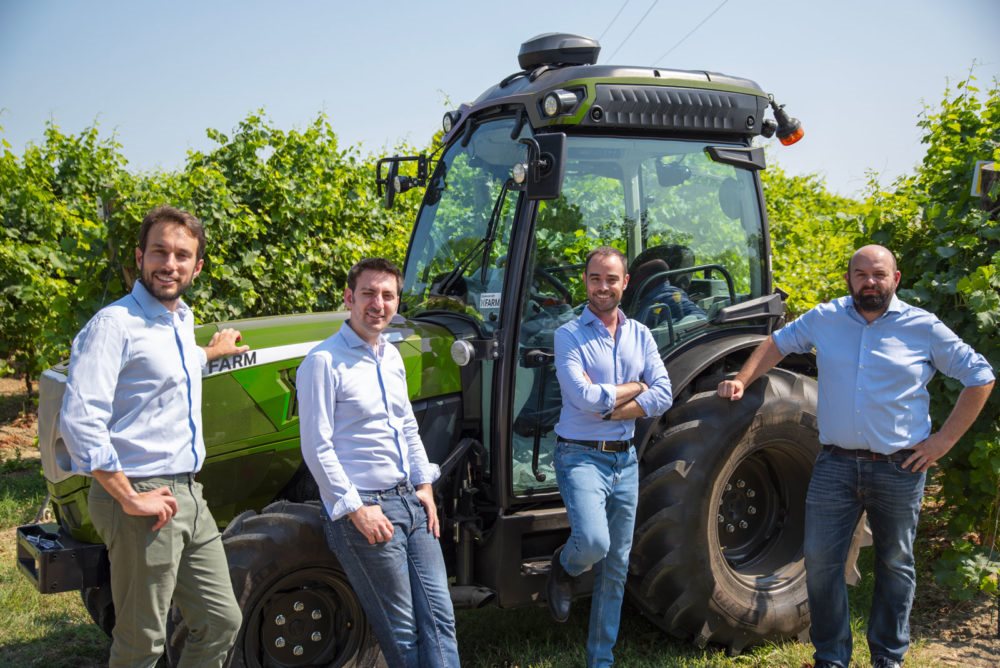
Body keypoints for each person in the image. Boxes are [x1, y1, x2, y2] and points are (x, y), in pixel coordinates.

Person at [717, 244, 994, 668]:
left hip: (901, 468)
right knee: (821, 563)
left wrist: (942, 442)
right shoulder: (826, 318)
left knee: (895, 563)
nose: (870, 281)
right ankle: (831, 656)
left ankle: (888, 656)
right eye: (861, 273)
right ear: (849, 278)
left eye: (879, 274)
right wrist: (741, 379)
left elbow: (979, 375)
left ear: (895, 279)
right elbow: (777, 342)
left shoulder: (923, 327)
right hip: (835, 464)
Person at [60, 205, 248, 668]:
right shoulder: (113, 325)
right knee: (142, 641)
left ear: (197, 265)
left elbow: (166, 369)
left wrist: (211, 352)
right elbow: (81, 421)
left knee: (222, 620)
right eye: (159, 252)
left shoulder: (179, 319)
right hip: (141, 494)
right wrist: (128, 497)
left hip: (188, 492)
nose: (170, 264)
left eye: (182, 255)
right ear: (141, 257)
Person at [297, 257, 460, 668]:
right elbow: (317, 447)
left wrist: (425, 485)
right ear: (349, 298)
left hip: (410, 501)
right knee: (401, 631)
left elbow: (406, 425)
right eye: (368, 293)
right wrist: (356, 510)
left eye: (388, 295)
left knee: (440, 618)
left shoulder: (391, 357)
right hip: (368, 509)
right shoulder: (323, 362)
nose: (378, 303)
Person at [548, 246, 673, 668]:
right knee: (594, 544)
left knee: (616, 564)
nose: (603, 287)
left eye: (611, 279)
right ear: (585, 282)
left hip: (625, 460)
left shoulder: (642, 334)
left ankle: (601, 659)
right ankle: (565, 567)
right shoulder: (568, 334)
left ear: (625, 283)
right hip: (580, 456)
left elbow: (665, 393)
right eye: (595, 279)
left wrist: (615, 404)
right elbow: (581, 397)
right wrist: (637, 388)